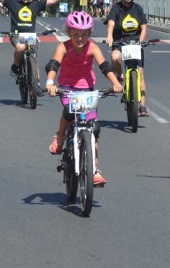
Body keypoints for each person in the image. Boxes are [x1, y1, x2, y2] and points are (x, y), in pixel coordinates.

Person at [44, 11, 123, 187]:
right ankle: (60, 136)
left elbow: (105, 66)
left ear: (89, 34)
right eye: (76, 34)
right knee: (68, 110)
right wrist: (50, 83)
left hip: (87, 90)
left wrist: (116, 83)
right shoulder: (63, 47)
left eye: (84, 34)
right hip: (67, 88)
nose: (80, 38)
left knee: (93, 129)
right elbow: (53, 65)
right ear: (69, 33)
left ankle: (94, 170)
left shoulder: (93, 47)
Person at [0, 0, 75, 79]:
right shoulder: (13, 3)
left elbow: (51, 0)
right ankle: (15, 65)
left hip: (30, 36)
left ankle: (36, 84)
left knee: (34, 56)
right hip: (16, 35)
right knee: (21, 48)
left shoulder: (35, 5)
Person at [105, 0, 150, 116]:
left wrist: (140, 41)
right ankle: (119, 76)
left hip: (135, 44)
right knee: (115, 57)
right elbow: (111, 24)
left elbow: (143, 27)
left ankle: (142, 106)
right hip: (120, 42)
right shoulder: (116, 8)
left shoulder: (137, 8)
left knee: (140, 75)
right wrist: (110, 37)